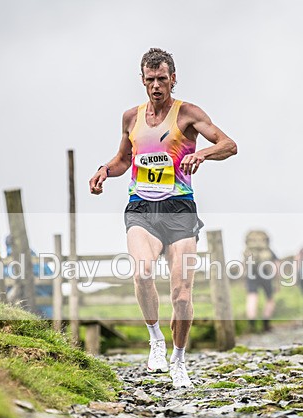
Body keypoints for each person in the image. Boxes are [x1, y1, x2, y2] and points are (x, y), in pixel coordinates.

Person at [89, 48, 237, 388]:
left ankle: (179, 360)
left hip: (180, 208)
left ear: (173, 78)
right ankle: (156, 339)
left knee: (183, 296)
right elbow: (124, 160)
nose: (157, 85)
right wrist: (103, 171)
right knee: (142, 272)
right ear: (142, 80)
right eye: (150, 79)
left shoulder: (187, 114)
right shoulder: (131, 117)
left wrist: (201, 153)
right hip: (142, 207)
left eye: (162, 79)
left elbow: (229, 144)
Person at [0, 235, 54, 319]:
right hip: (47, 314)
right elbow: (53, 287)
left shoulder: (2, 266)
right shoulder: (40, 263)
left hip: (13, 315)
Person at [243, 230, 278, 332]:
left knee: (252, 297)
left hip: (251, 273)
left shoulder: (249, 251)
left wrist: (245, 279)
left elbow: (243, 265)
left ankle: (251, 325)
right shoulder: (269, 251)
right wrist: (277, 281)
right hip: (266, 273)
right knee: (270, 298)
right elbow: (276, 266)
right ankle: (266, 324)